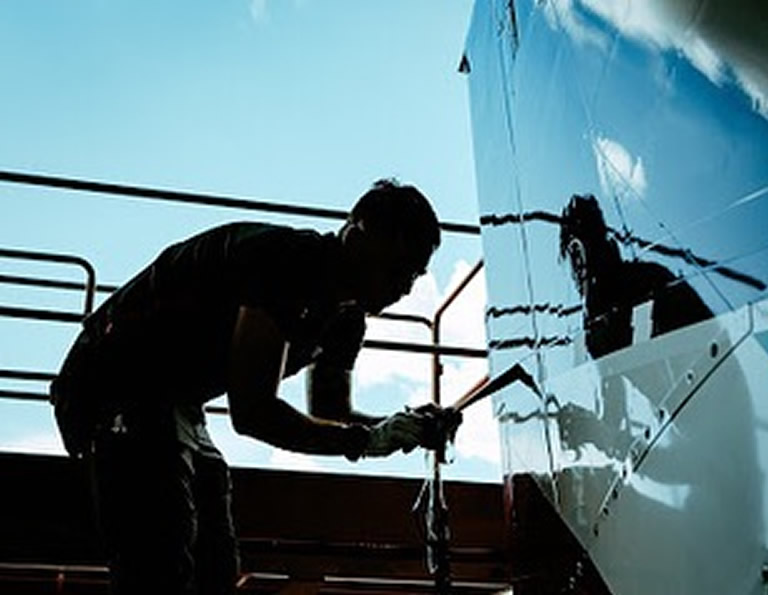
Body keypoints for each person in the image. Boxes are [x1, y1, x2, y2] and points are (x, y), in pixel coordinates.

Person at [49, 178, 460, 595]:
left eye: (414, 274)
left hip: (179, 402)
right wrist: (367, 441)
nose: (404, 286)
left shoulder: (348, 319)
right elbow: (253, 414)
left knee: (216, 566)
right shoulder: (287, 261)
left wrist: (400, 425)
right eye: (397, 266)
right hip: (111, 382)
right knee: (161, 561)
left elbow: (332, 413)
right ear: (357, 233)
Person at [559, 193, 713, 359]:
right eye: (573, 252)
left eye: (581, 244)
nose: (578, 262)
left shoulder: (647, 278)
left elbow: (644, 356)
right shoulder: (591, 320)